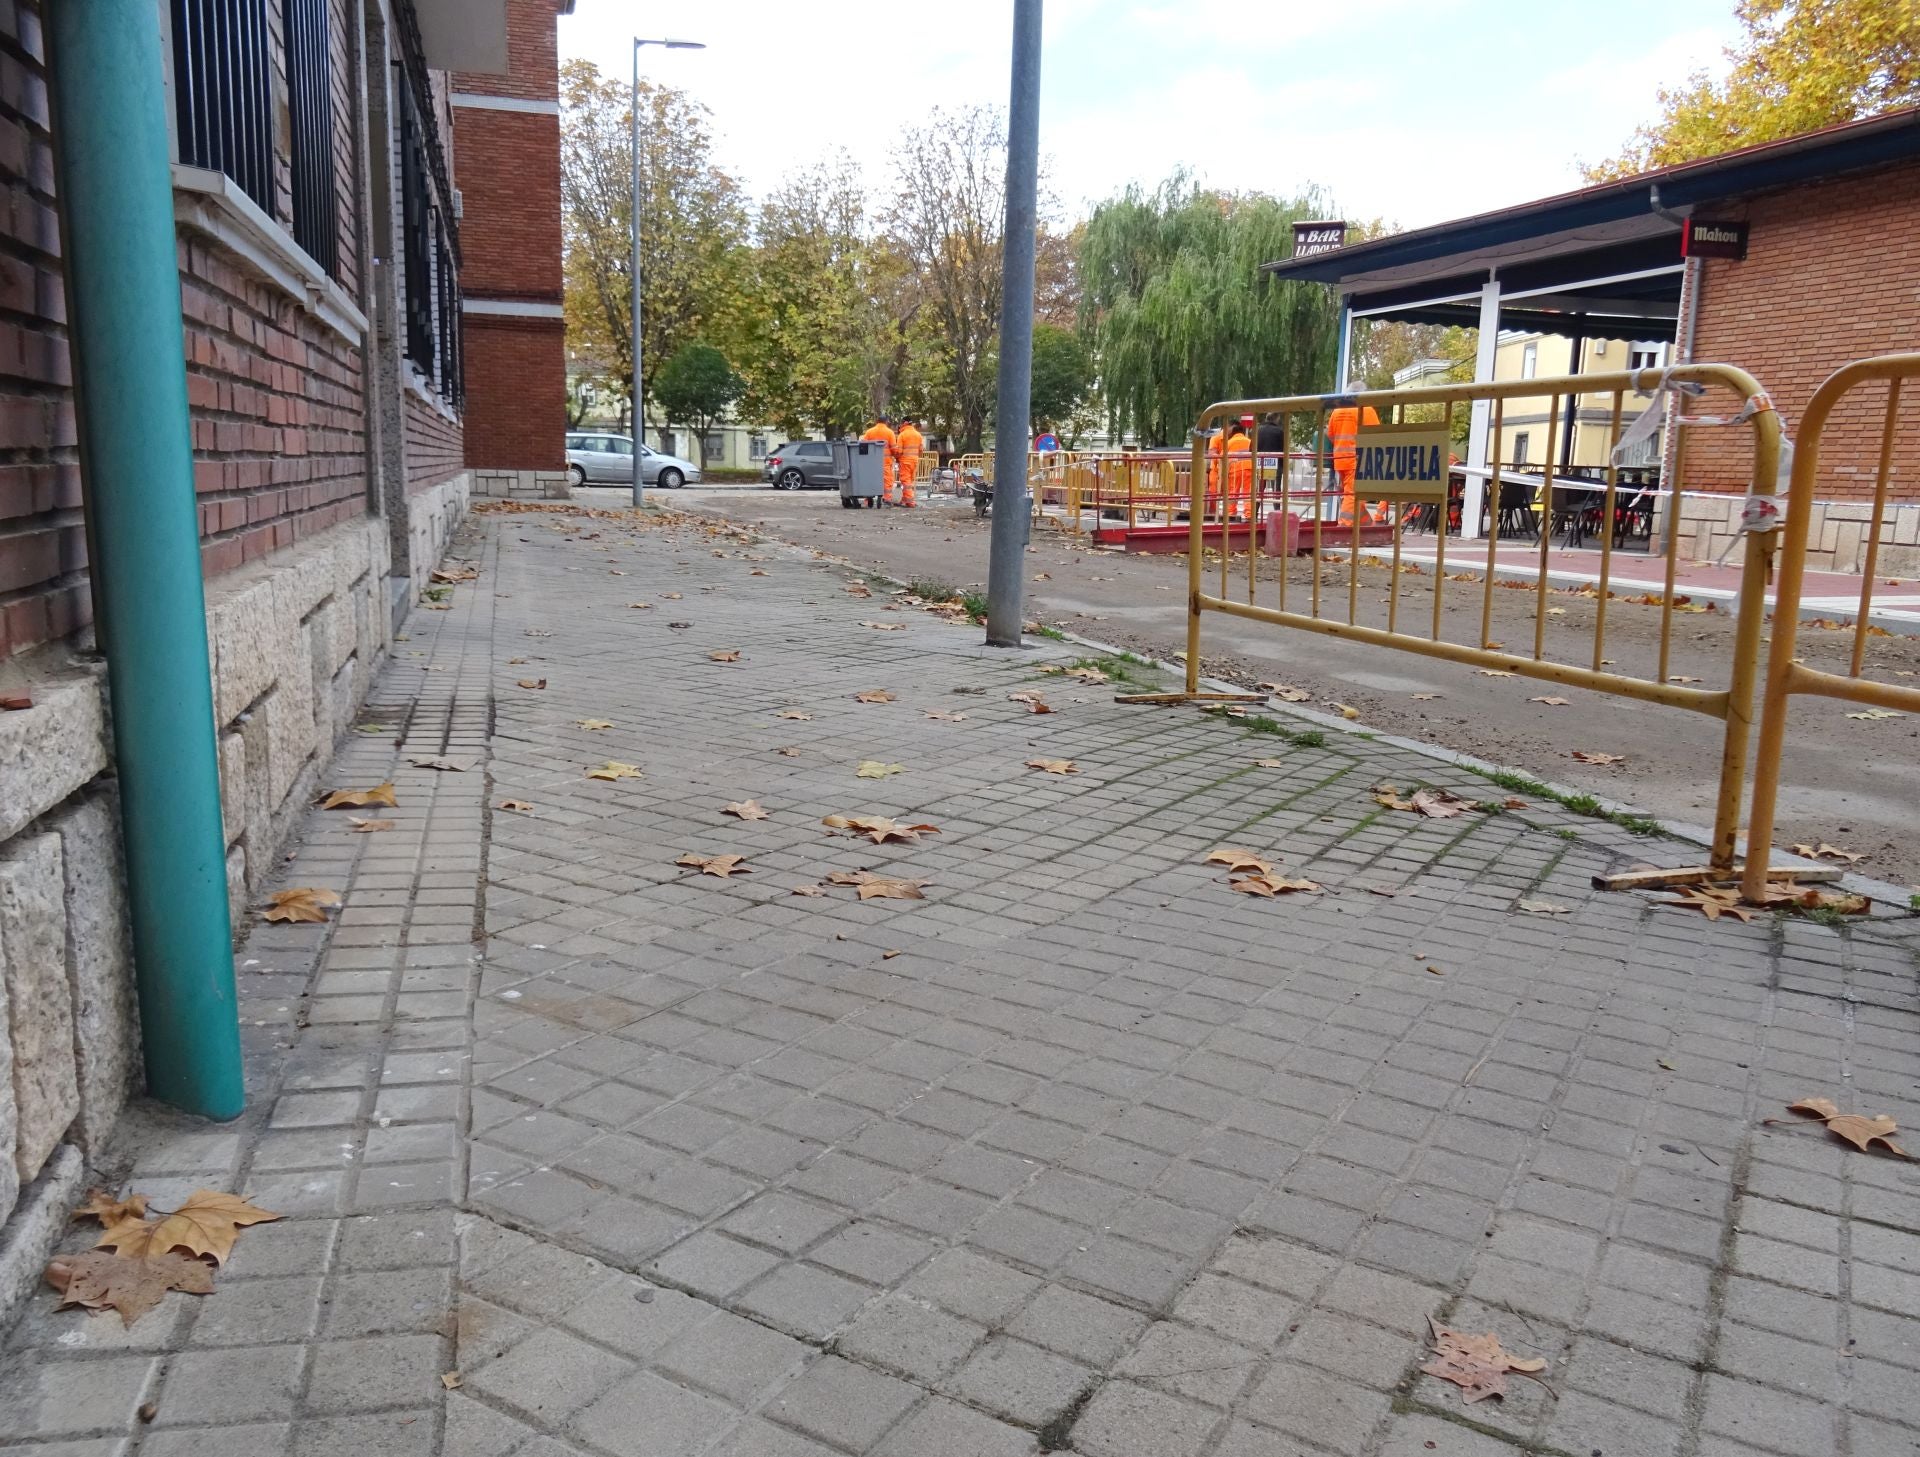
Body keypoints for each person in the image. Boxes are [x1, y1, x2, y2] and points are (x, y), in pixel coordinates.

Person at [1326, 380, 1383, 525]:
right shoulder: (1366, 410)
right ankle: (1344, 525)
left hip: (1340, 460)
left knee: (1353, 494)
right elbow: (1377, 435)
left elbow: (1330, 434)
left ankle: (1366, 525)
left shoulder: (1337, 411)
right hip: (1358, 460)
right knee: (1352, 494)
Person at [1226, 415, 1254, 521]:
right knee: (1248, 493)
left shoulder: (1228, 443)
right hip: (1248, 468)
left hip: (1235, 469)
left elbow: (1224, 459)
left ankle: (1231, 514)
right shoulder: (1249, 441)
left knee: (1233, 493)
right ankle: (1249, 515)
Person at [862, 416, 896, 502]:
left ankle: (868, 499)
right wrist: (897, 456)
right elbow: (894, 448)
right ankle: (887, 498)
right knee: (887, 480)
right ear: (886, 421)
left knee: (870, 479)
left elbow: (863, 446)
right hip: (885, 462)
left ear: (877, 421)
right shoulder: (890, 432)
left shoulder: (869, 432)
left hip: (871, 462)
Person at [893, 416, 923, 507]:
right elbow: (921, 450)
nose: (900, 425)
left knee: (906, 482)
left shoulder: (902, 435)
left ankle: (910, 502)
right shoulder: (918, 434)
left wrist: (897, 458)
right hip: (914, 461)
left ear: (904, 423)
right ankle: (904, 500)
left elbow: (899, 451)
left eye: (901, 423)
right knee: (909, 482)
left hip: (905, 461)